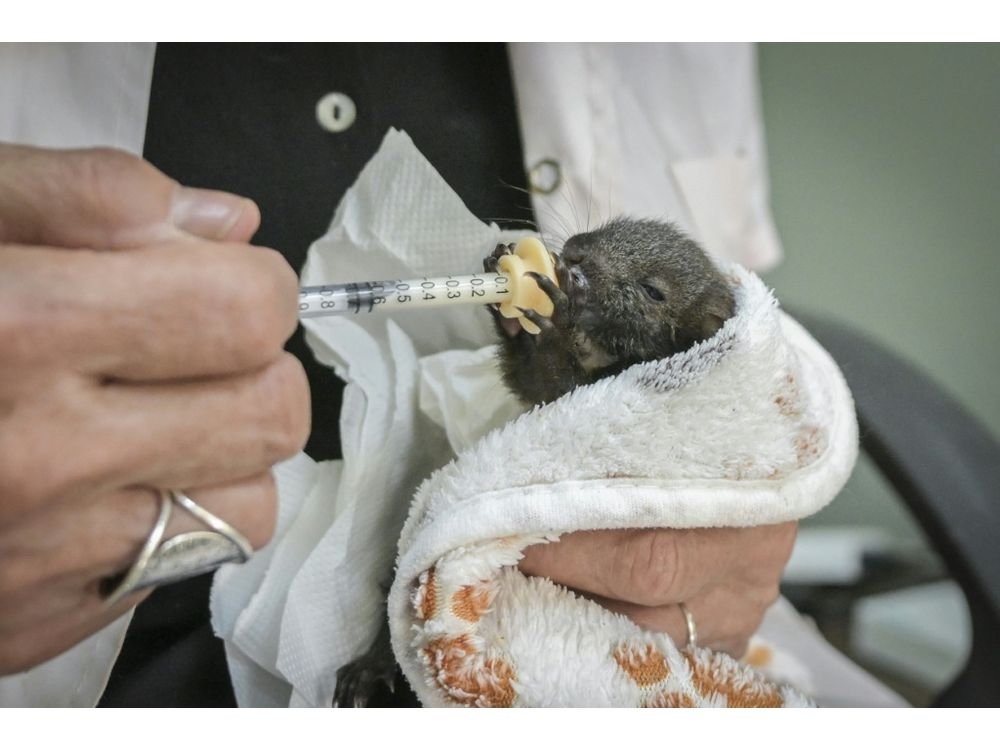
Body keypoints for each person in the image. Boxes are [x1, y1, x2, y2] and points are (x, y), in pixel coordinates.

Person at [0, 42, 801, 706]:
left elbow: (753, 331)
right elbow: (535, 377)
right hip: (124, 636)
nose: (581, 265)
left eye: (647, 290)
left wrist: (769, 485)